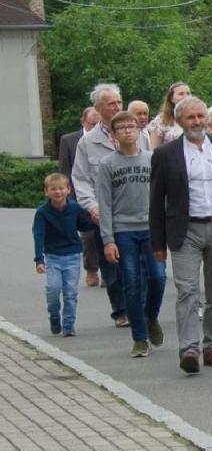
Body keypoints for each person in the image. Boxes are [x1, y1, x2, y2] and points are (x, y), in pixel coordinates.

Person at [150, 95, 212, 375]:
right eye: (191, 117)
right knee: (188, 290)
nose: (197, 122)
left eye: (200, 116)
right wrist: (157, 241)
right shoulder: (166, 154)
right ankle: (190, 349)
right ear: (180, 121)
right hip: (186, 230)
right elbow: (156, 200)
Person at [95, 110, 165, 357]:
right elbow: (104, 203)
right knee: (132, 282)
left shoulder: (152, 158)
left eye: (131, 126)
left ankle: (151, 317)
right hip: (123, 230)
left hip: (151, 228)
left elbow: (161, 197)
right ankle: (139, 337)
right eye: (121, 128)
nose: (127, 131)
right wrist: (108, 240)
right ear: (114, 135)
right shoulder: (107, 164)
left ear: (138, 130)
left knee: (158, 277)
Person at [71, 83, 129, 327]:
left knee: (143, 266)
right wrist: (92, 207)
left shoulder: (136, 133)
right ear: (98, 108)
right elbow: (81, 180)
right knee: (112, 267)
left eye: (119, 102)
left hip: (135, 213)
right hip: (103, 215)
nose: (117, 107)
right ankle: (121, 311)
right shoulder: (88, 143)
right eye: (111, 104)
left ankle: (142, 306)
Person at [33, 173, 95, 337]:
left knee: (70, 292)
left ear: (68, 190)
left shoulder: (74, 208)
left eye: (61, 188)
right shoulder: (42, 212)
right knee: (53, 289)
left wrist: (98, 221)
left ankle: (68, 325)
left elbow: (85, 224)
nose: (58, 192)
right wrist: (39, 259)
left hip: (72, 256)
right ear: (46, 192)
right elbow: (38, 234)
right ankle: (54, 315)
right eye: (53, 189)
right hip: (52, 257)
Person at [57, 106, 101, 289]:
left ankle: (109, 271)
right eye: (92, 124)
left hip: (104, 192)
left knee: (110, 234)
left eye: (98, 123)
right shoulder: (69, 140)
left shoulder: (106, 138)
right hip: (80, 194)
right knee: (89, 235)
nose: (95, 127)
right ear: (83, 122)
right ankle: (91, 269)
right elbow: (65, 170)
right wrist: (68, 198)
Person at [141, 81, 192, 150]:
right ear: (171, 98)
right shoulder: (161, 120)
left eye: (188, 93)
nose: (186, 96)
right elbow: (154, 150)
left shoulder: (196, 118)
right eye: (181, 94)